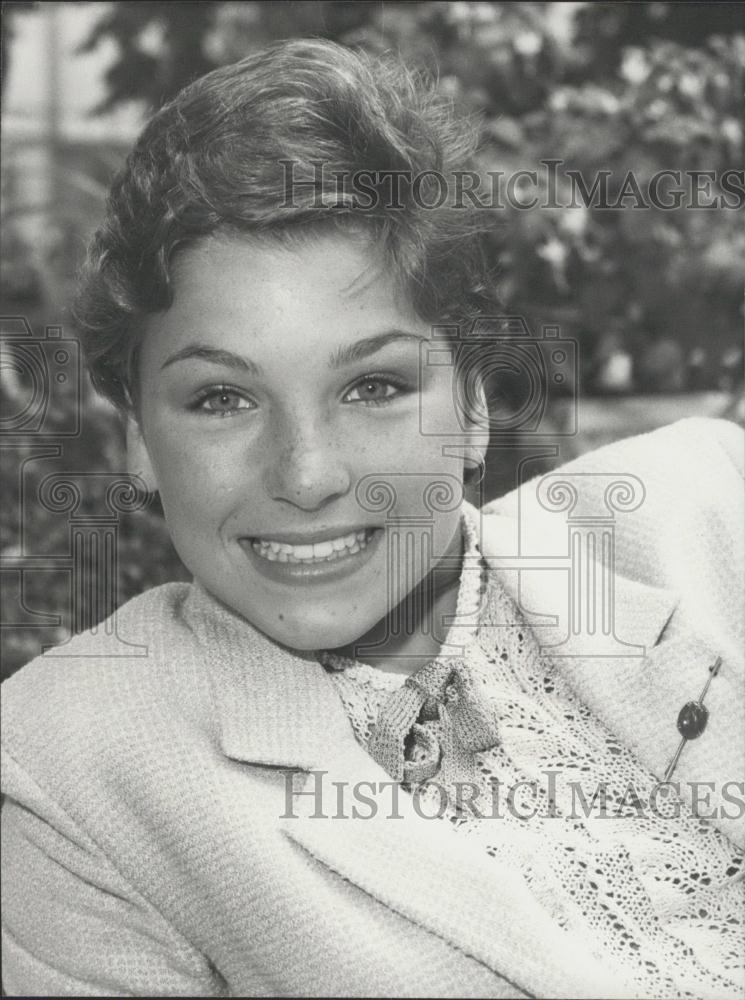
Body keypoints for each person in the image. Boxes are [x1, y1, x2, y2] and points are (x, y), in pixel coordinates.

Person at [1, 39, 743, 999]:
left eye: (374, 385)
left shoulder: (710, 508)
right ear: (140, 440)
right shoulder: (68, 779)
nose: (306, 475)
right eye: (222, 399)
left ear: (474, 406)